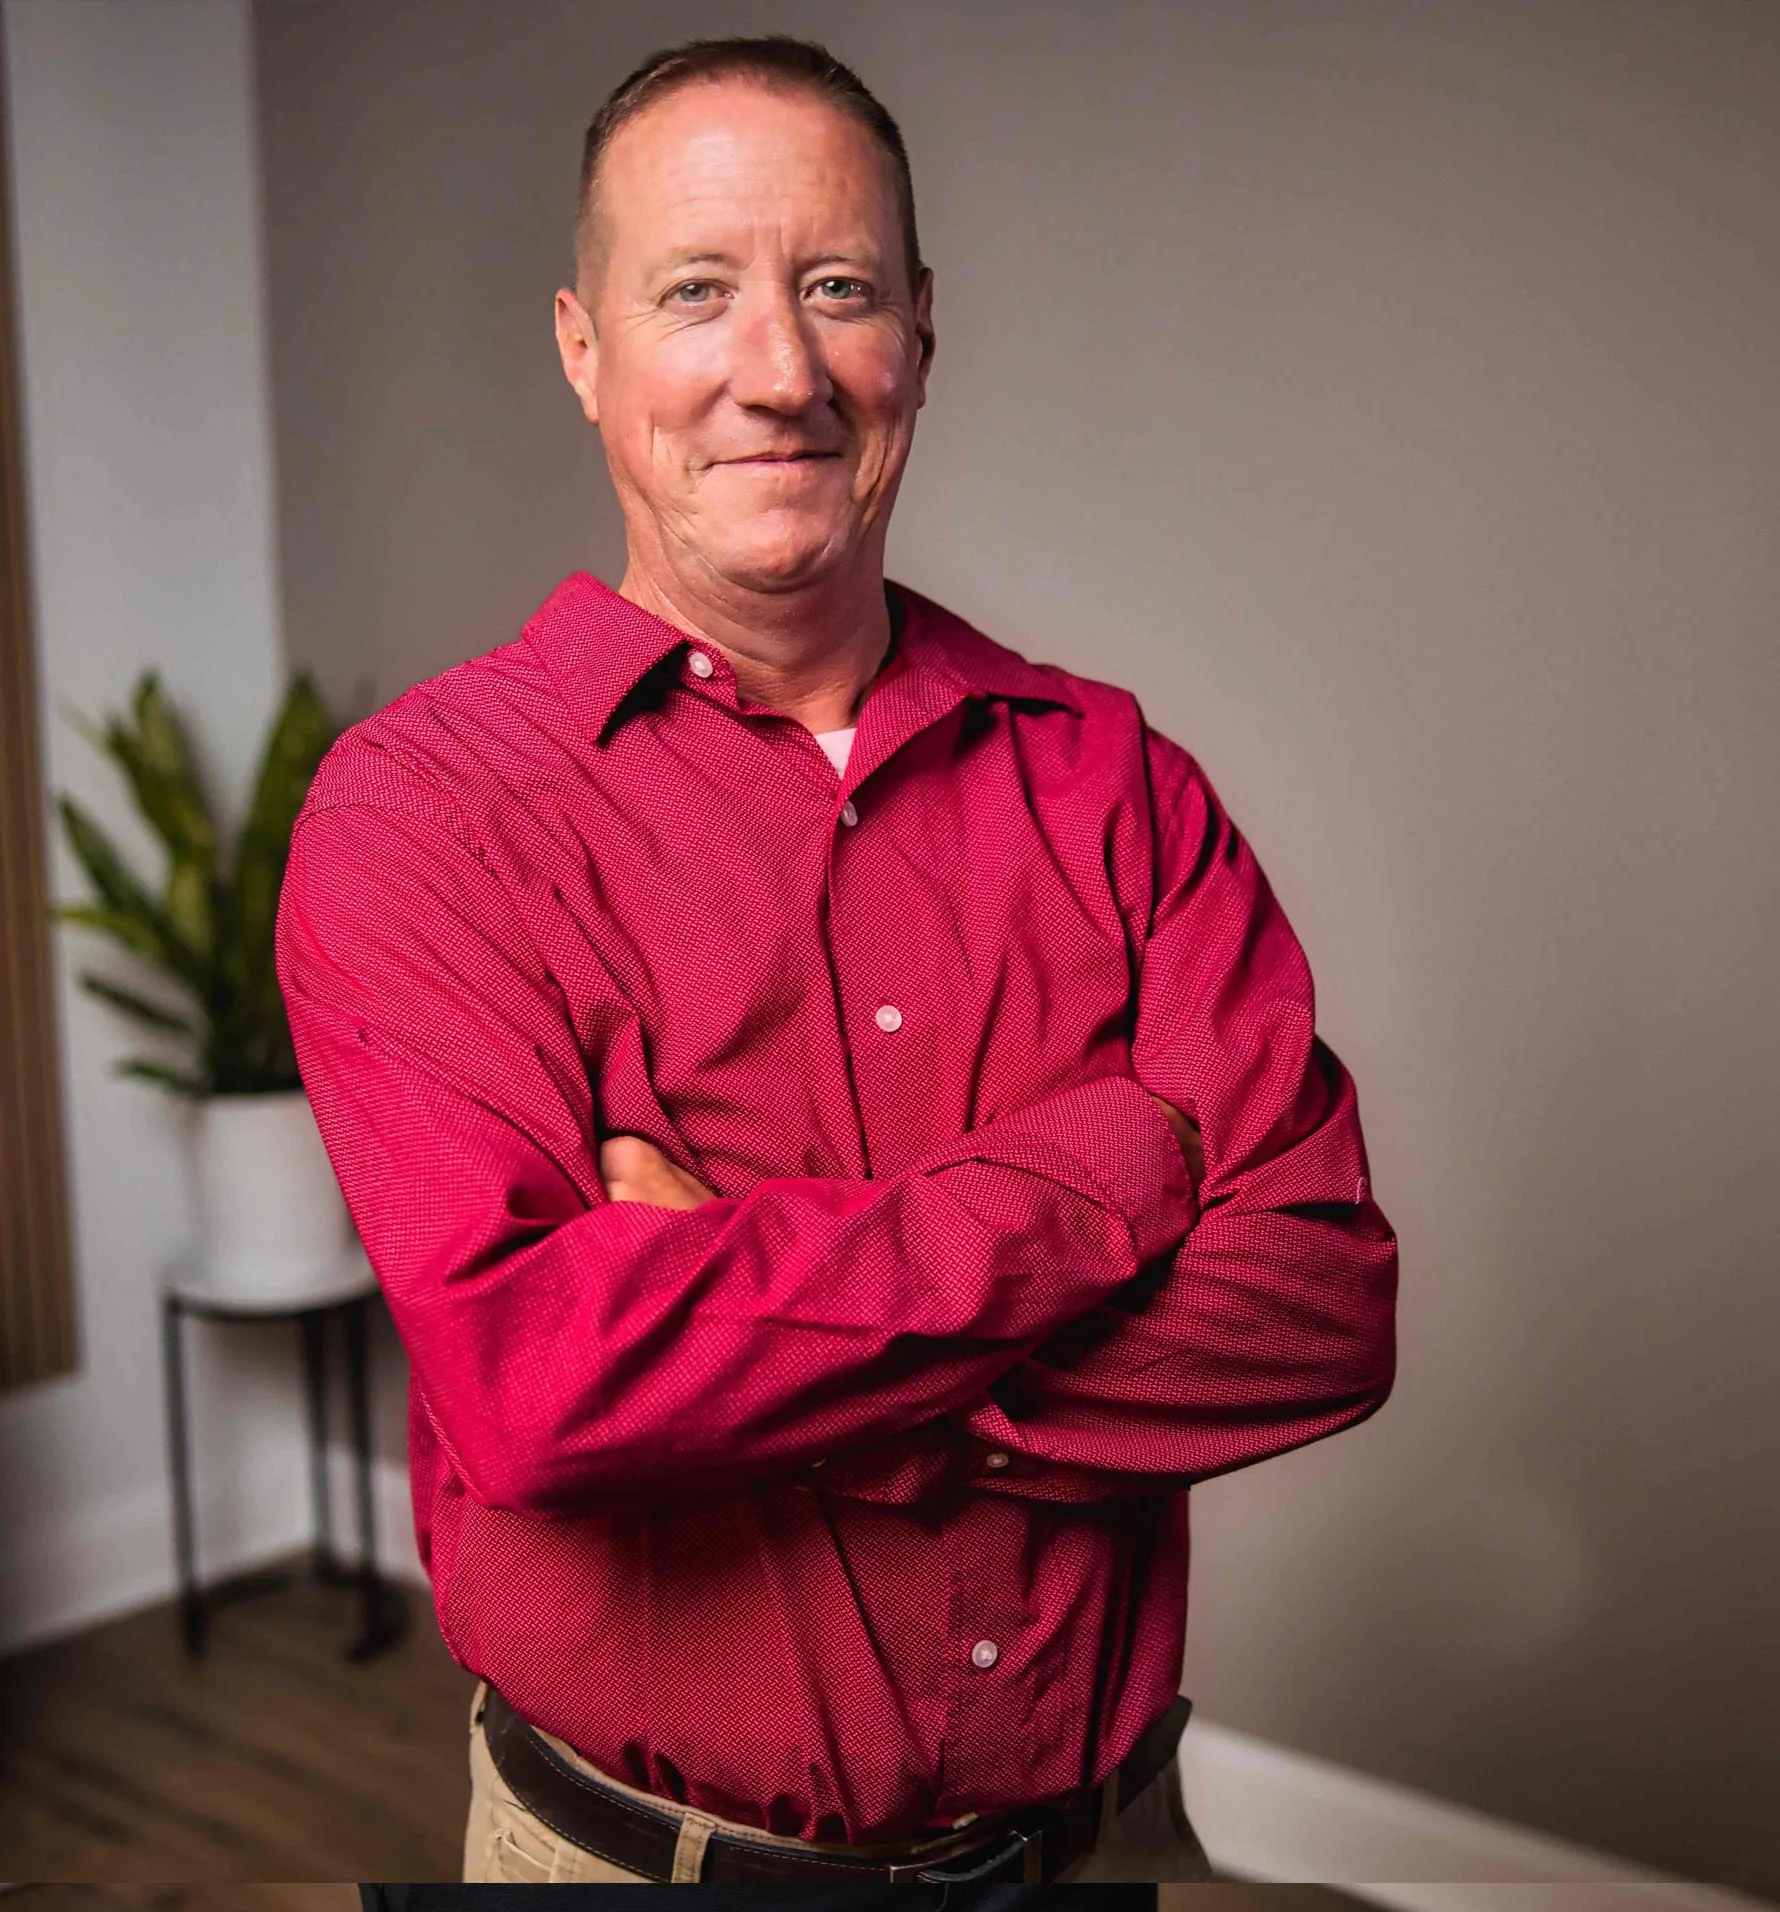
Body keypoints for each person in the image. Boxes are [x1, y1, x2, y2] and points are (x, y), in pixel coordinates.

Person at [278, 34, 1399, 1909]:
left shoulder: (1113, 779)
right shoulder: (424, 817)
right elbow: (540, 1387)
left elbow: (1321, 1303)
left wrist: (769, 1339)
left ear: (922, 339)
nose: (778, 372)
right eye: (697, 291)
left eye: (838, 289)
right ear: (584, 347)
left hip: (1101, 1847)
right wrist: (1106, 1176)